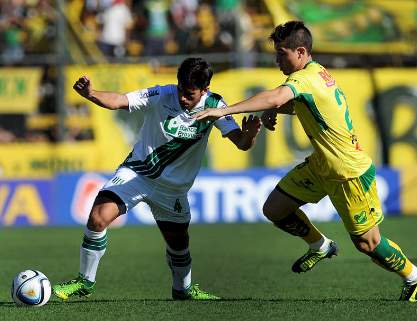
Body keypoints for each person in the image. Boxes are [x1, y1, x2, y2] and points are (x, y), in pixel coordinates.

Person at [195, 21, 417, 302]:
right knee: (275, 208)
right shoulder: (314, 74)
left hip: (348, 173)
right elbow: (299, 104)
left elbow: (275, 97)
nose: (277, 60)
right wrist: (276, 111)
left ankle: (414, 276)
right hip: (322, 165)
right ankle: (319, 245)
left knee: (368, 244)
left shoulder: (304, 79)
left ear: (301, 51)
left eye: (282, 53)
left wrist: (225, 111)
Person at [52, 57, 261, 301]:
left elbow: (241, 143)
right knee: (98, 218)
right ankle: (84, 281)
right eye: (181, 90)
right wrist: (91, 93)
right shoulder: (162, 94)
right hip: (138, 173)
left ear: (205, 90)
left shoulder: (216, 105)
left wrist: (250, 135)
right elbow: (120, 100)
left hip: (173, 191)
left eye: (190, 94)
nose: (183, 98)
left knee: (179, 245)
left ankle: (183, 289)